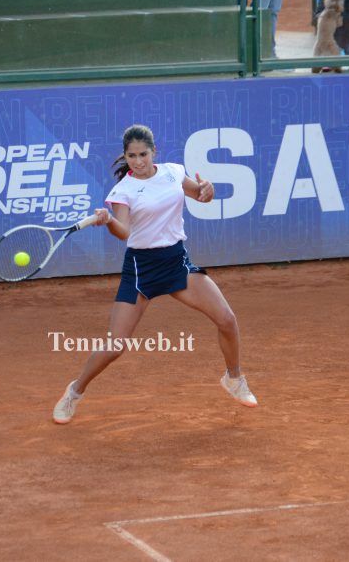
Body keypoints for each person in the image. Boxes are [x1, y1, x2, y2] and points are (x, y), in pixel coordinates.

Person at [52, 125, 258, 424]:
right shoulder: (122, 190)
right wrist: (108, 221)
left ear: (154, 152)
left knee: (227, 319)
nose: (138, 161)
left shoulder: (173, 172)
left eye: (143, 154)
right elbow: (125, 232)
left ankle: (234, 379)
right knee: (115, 346)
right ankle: (75, 390)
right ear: (125, 156)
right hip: (141, 269)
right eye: (132, 156)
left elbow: (200, 196)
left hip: (176, 261)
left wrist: (207, 191)